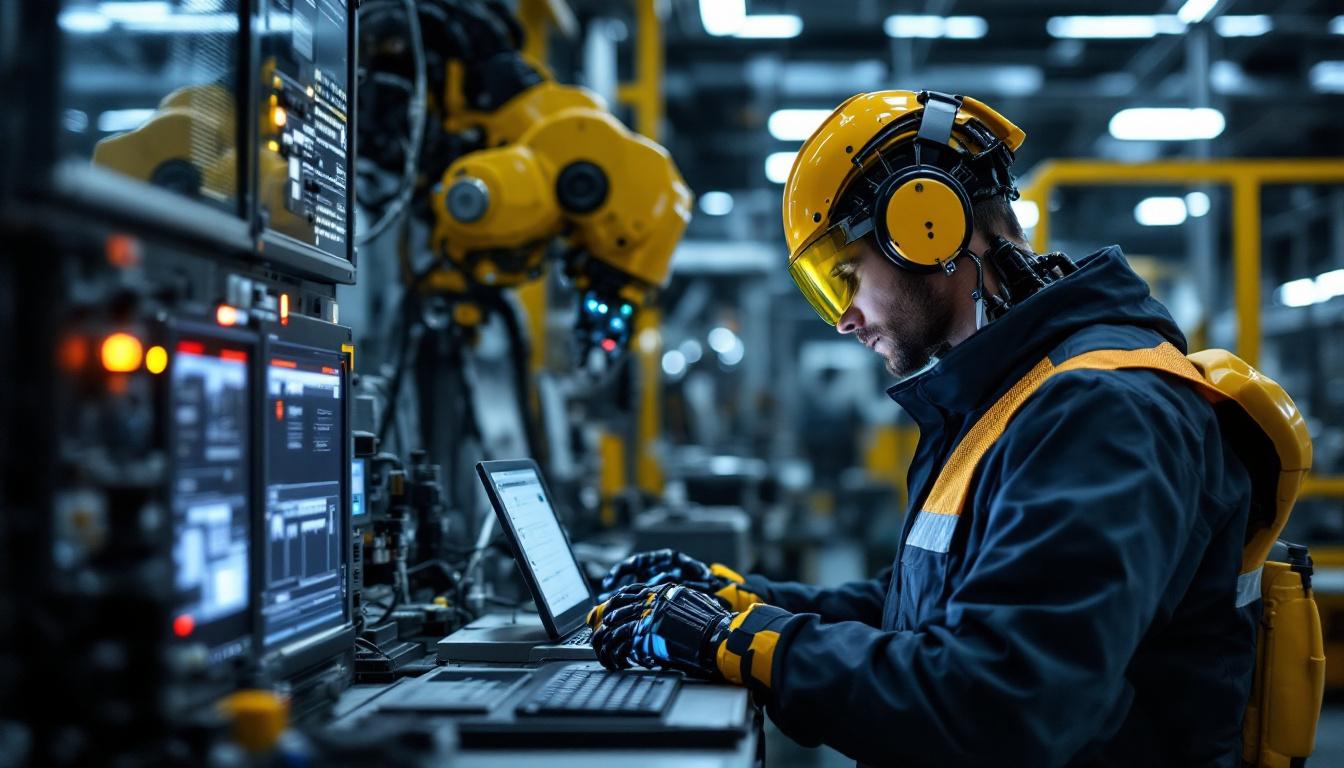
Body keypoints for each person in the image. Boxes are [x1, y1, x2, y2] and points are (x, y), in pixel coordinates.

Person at [584, 91, 1257, 766]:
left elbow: (1000, 702)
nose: (844, 318)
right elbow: (923, 610)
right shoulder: (1010, 396)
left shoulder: (1100, 411)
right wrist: (736, 602)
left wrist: (743, 643)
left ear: (926, 224)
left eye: (845, 276)